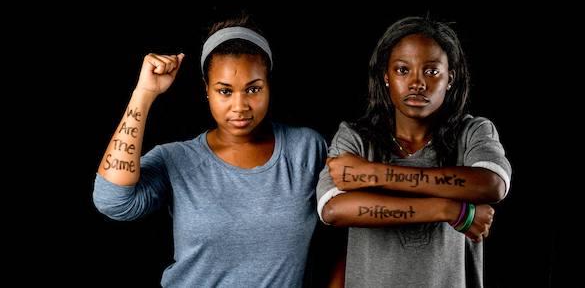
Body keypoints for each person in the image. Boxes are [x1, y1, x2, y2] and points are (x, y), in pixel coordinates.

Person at [93, 15, 327, 287]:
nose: (240, 106)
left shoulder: (306, 149)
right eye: (225, 91)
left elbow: (338, 236)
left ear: (269, 86)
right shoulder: (177, 159)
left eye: (253, 89)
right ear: (207, 90)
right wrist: (144, 93)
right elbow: (112, 201)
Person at [316, 16, 512, 287]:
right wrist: (447, 209)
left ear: (450, 78)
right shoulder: (356, 136)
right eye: (402, 70)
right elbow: (333, 210)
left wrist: (373, 174)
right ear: (386, 76)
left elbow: (491, 184)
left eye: (431, 71)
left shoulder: (473, 131)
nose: (417, 83)